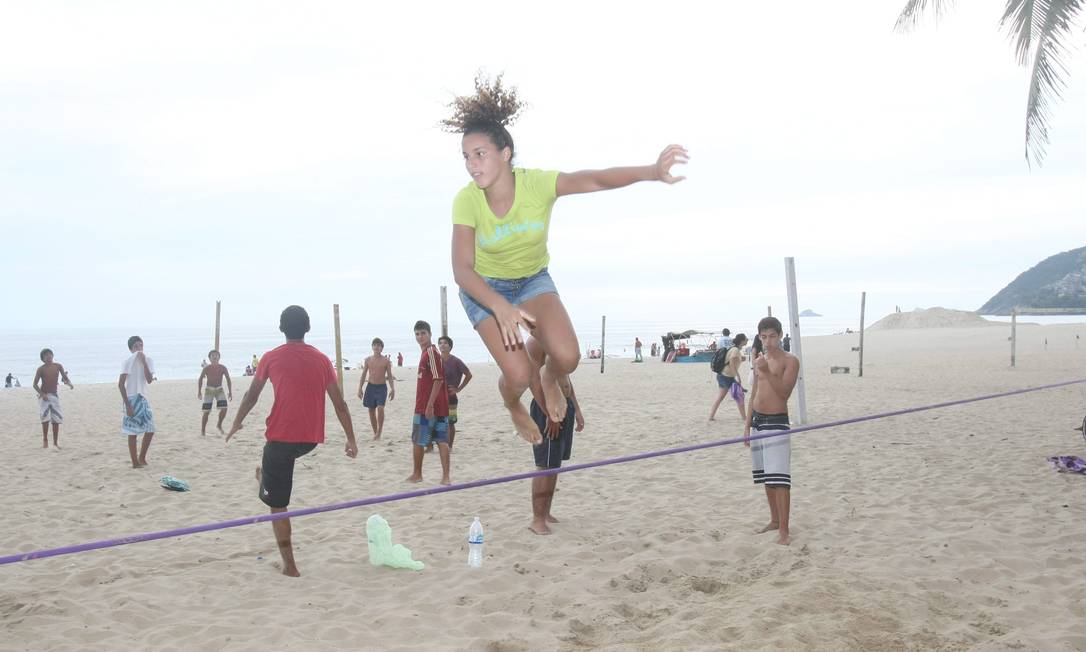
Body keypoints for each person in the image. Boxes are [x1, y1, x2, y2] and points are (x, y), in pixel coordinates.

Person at [444, 73, 687, 442]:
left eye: (480, 154)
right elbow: (461, 270)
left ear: (505, 153)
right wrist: (500, 307)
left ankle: (551, 376)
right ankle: (513, 406)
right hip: (484, 289)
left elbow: (594, 180)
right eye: (466, 157)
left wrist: (652, 172)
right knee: (518, 376)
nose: (472, 164)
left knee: (568, 357)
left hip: (532, 281)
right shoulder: (467, 200)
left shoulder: (536, 185)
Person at [225, 305, 358, 577]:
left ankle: (290, 566)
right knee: (277, 471)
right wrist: (351, 439)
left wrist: (237, 422)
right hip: (309, 440)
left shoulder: (271, 358)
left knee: (278, 505)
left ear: (281, 328)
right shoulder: (322, 360)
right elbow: (340, 403)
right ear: (307, 328)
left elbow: (252, 395)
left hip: (281, 440)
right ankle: (265, 477)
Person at [744, 317, 800, 546]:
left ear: (780, 335)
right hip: (758, 421)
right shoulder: (759, 361)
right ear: (759, 337)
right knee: (767, 476)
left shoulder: (790, 361)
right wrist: (747, 426)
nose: (768, 341)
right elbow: (754, 394)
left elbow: (784, 393)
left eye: (772, 336)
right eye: (763, 337)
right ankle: (775, 520)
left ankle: (785, 530)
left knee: (780, 478)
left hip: (777, 422)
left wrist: (767, 371)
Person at [525, 335, 583, 535]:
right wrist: (549, 413)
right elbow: (534, 381)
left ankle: (546, 513)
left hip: (564, 405)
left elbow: (566, 378)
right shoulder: (535, 342)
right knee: (544, 465)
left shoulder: (557, 337)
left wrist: (577, 409)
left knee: (554, 464)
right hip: (547, 408)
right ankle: (537, 519)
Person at [405, 321, 451, 485]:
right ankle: (444, 477)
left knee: (420, 440)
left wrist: (429, 404)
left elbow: (438, 379)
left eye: (423, 333)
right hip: (435, 406)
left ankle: (418, 474)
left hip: (428, 407)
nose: (420, 337)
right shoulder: (427, 353)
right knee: (441, 440)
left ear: (430, 334)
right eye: (417, 334)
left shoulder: (431, 352)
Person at [118, 336, 156, 468]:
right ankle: (135, 462)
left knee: (150, 429)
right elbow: (121, 384)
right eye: (136, 346)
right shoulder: (127, 362)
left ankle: (142, 457)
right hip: (132, 398)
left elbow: (149, 380)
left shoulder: (148, 360)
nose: (139, 349)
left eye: (141, 345)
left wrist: (144, 362)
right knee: (132, 432)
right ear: (131, 349)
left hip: (143, 398)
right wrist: (127, 405)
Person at [32, 348, 73, 448]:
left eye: (50, 354)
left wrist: (69, 383)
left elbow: (64, 378)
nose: (49, 356)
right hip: (44, 396)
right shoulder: (41, 369)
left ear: (53, 355)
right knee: (45, 418)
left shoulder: (58, 366)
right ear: (43, 358)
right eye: (46, 355)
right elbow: (35, 384)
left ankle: (55, 443)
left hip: (54, 395)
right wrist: (42, 394)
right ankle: (45, 440)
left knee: (56, 419)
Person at [437, 335, 472, 450]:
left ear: (450, 346)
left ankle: (450, 446)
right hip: (437, 396)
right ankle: (440, 444)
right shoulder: (436, 360)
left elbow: (468, 374)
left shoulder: (456, 361)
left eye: (445, 343)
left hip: (451, 397)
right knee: (439, 422)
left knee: (450, 423)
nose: (442, 345)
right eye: (440, 343)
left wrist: (459, 388)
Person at [358, 337, 395, 440]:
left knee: (380, 408)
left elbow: (390, 376)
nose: (376, 347)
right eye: (375, 345)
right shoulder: (368, 360)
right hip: (370, 387)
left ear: (382, 348)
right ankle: (376, 432)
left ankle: (379, 431)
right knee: (371, 410)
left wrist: (392, 389)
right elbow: (363, 374)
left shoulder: (386, 361)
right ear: (372, 347)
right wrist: (360, 388)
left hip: (382, 387)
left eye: (378, 345)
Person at [708, 334, 748, 422]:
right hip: (728, 377)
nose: (747, 340)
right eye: (746, 339)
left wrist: (741, 358)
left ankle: (711, 416)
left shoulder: (733, 348)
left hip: (721, 375)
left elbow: (732, 359)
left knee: (720, 397)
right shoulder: (736, 350)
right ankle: (745, 418)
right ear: (742, 341)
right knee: (739, 396)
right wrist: (737, 376)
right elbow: (731, 363)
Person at [197, 349, 233, 436]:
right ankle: (203, 431)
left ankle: (219, 425)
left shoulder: (223, 368)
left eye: (216, 355)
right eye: (212, 355)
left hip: (219, 389)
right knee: (206, 411)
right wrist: (199, 391)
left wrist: (230, 391)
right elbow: (201, 378)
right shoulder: (206, 368)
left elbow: (228, 379)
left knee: (224, 409)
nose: (215, 356)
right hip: (209, 390)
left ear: (219, 357)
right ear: (209, 358)